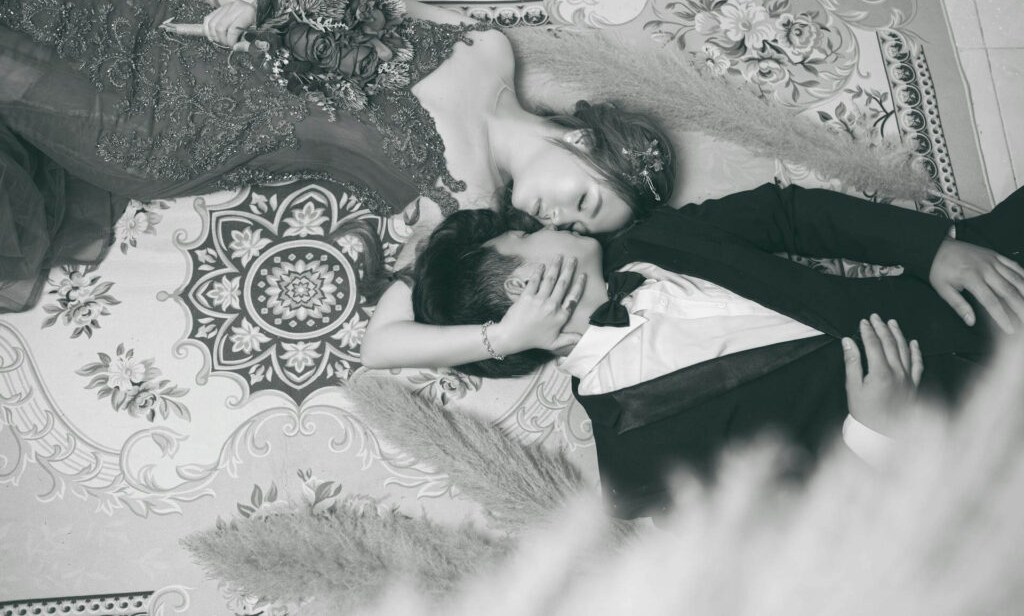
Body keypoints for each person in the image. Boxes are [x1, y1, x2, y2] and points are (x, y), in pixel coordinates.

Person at [0, 0, 673, 323]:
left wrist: (509, 335)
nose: (562, 221)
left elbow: (400, 326)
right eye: (585, 202)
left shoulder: (467, 206)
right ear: (586, 143)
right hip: (164, 24)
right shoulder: (489, 49)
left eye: (578, 228)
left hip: (162, 132)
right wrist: (255, 8)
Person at [411, 182, 1024, 517]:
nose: (551, 224)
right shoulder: (634, 468)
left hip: (967, 288)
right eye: (524, 235)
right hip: (975, 436)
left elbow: (789, 214)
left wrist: (931, 248)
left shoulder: (655, 237)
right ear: (524, 285)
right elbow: (795, 537)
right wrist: (873, 430)